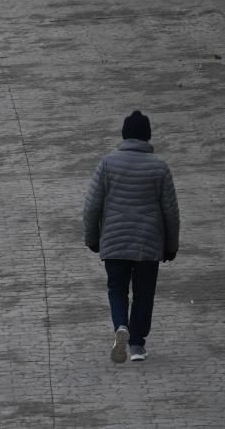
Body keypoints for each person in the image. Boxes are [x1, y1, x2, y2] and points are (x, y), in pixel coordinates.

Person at [83, 110, 179, 364]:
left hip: (114, 241)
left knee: (117, 289)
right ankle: (137, 345)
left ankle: (121, 326)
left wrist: (92, 238)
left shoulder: (107, 163)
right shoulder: (160, 167)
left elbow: (92, 205)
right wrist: (171, 246)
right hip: (149, 243)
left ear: (124, 135)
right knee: (144, 293)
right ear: (147, 136)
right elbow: (171, 211)